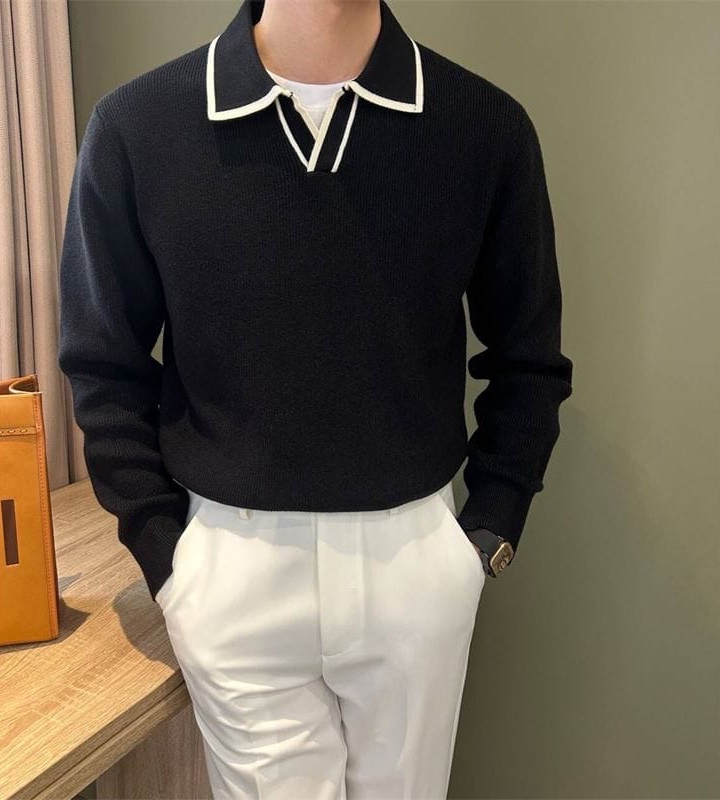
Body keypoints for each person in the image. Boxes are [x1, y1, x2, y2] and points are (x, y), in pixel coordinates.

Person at [57, 0, 574, 796]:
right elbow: (103, 362)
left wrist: (486, 536)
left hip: (415, 556)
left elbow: (528, 359)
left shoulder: (484, 127)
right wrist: (165, 553)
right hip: (230, 562)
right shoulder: (138, 126)